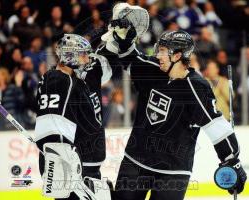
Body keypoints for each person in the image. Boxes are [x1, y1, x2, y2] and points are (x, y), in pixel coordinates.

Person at [100, 20, 247, 199]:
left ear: (177, 56)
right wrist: (125, 40)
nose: (158, 55)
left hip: (174, 170)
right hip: (136, 161)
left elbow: (215, 124)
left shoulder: (196, 87)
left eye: (162, 51)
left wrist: (231, 159)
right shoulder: (153, 69)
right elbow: (132, 59)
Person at [34, 34, 111, 200]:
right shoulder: (57, 79)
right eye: (83, 54)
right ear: (70, 55)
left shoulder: (74, 81)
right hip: (71, 165)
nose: (86, 58)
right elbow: (50, 124)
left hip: (85, 164)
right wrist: (57, 157)